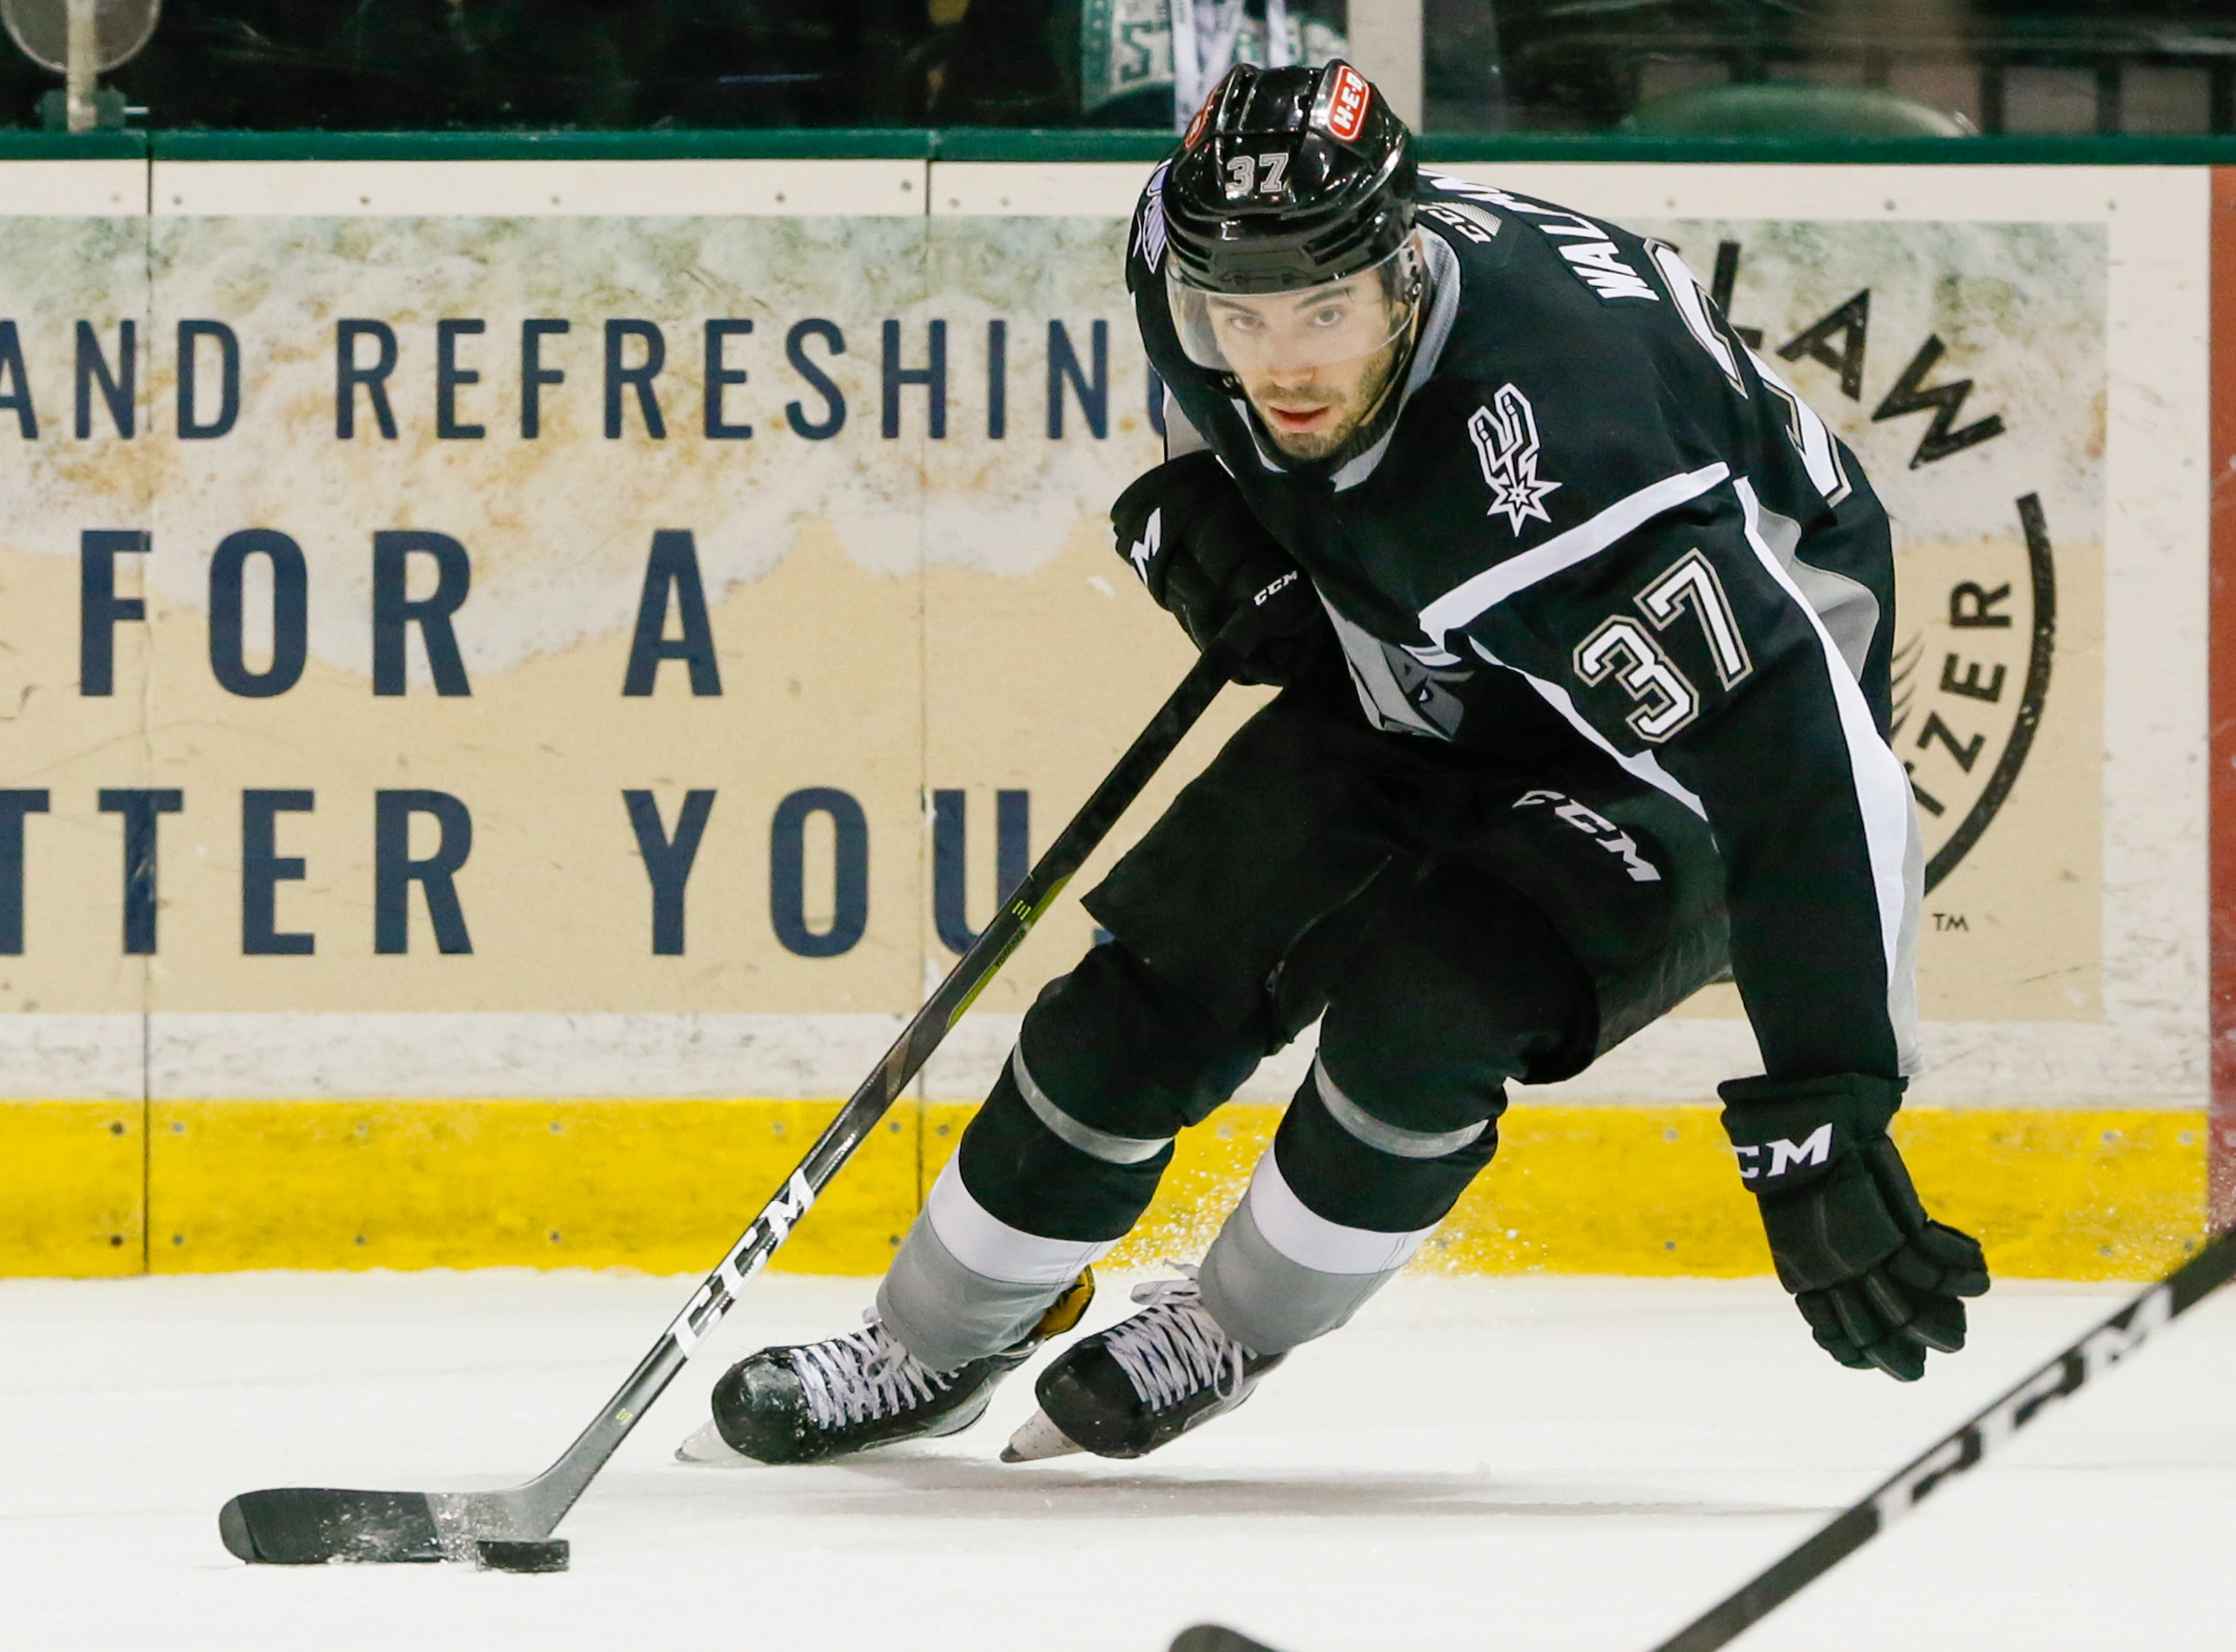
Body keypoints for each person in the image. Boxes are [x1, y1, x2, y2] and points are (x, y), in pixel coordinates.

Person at [677, 59, 1990, 1470]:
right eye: (1240, 317)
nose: (1282, 360)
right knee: (1151, 987)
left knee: (1426, 1015)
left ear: (1405, 272)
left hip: (1665, 759)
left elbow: (1804, 764)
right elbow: (1204, 401)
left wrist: (1824, 1107)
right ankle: (928, 1345)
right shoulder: (1186, 255)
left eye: (1324, 312)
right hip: (1426, 679)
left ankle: (1231, 1325)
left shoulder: (1569, 457)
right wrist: (1199, 513)